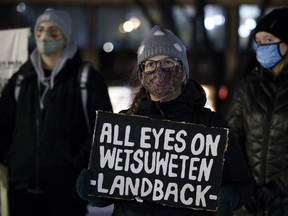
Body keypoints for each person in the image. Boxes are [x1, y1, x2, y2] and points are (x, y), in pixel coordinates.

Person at [76, 25, 253, 216]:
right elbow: (116, 184)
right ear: (142, 73)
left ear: (183, 70)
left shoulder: (210, 125)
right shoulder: (124, 125)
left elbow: (242, 183)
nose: (159, 71)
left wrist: (230, 196)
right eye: (150, 64)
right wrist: (95, 189)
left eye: (168, 62)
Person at [0, 9, 113, 216]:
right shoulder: (21, 79)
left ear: (65, 37)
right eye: (40, 30)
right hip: (20, 191)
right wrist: (13, 159)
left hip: (65, 194)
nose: (44, 36)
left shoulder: (86, 79)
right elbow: (3, 124)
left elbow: (103, 130)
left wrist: (74, 166)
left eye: (53, 31)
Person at [226, 7, 288, 216]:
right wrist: (245, 187)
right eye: (259, 42)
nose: (263, 47)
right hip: (249, 206)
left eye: (268, 40)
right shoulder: (249, 86)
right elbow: (232, 139)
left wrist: (279, 187)